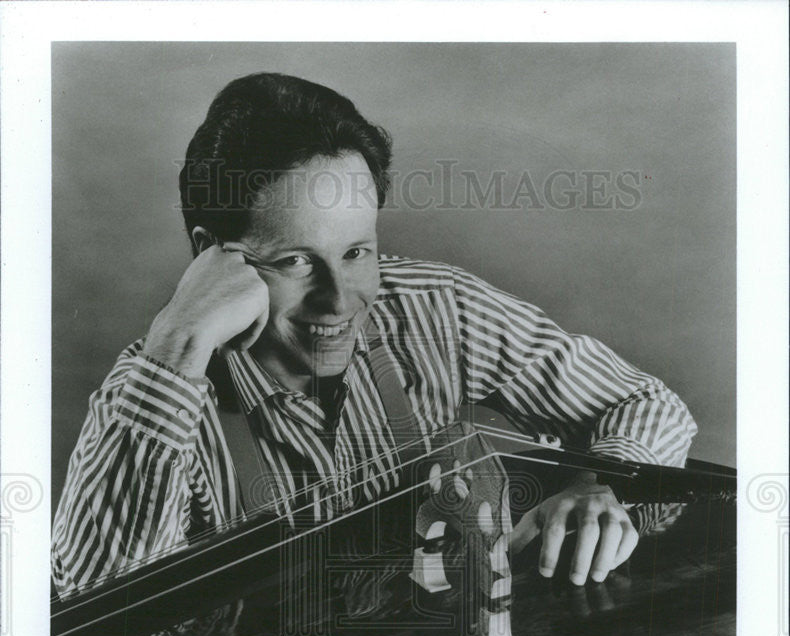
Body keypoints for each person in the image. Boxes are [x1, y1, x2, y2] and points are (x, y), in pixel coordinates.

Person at [52, 72, 697, 598]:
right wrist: (181, 342)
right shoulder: (149, 399)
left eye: (357, 252)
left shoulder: (435, 308)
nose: (340, 300)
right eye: (296, 261)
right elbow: (96, 626)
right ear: (209, 258)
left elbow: (646, 403)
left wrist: (602, 487)